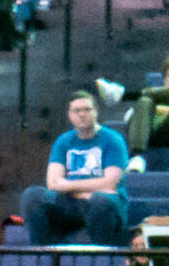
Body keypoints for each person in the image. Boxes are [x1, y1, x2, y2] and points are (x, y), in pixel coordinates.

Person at [23, 92, 131, 248]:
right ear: (69, 115)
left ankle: (101, 258)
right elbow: (53, 183)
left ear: (96, 112)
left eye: (87, 110)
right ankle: (42, 254)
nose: (82, 115)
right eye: (76, 111)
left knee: (101, 201)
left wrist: (67, 186)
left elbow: (110, 183)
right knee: (32, 195)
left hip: (105, 205)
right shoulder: (64, 141)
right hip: (73, 201)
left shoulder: (113, 140)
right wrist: (83, 192)